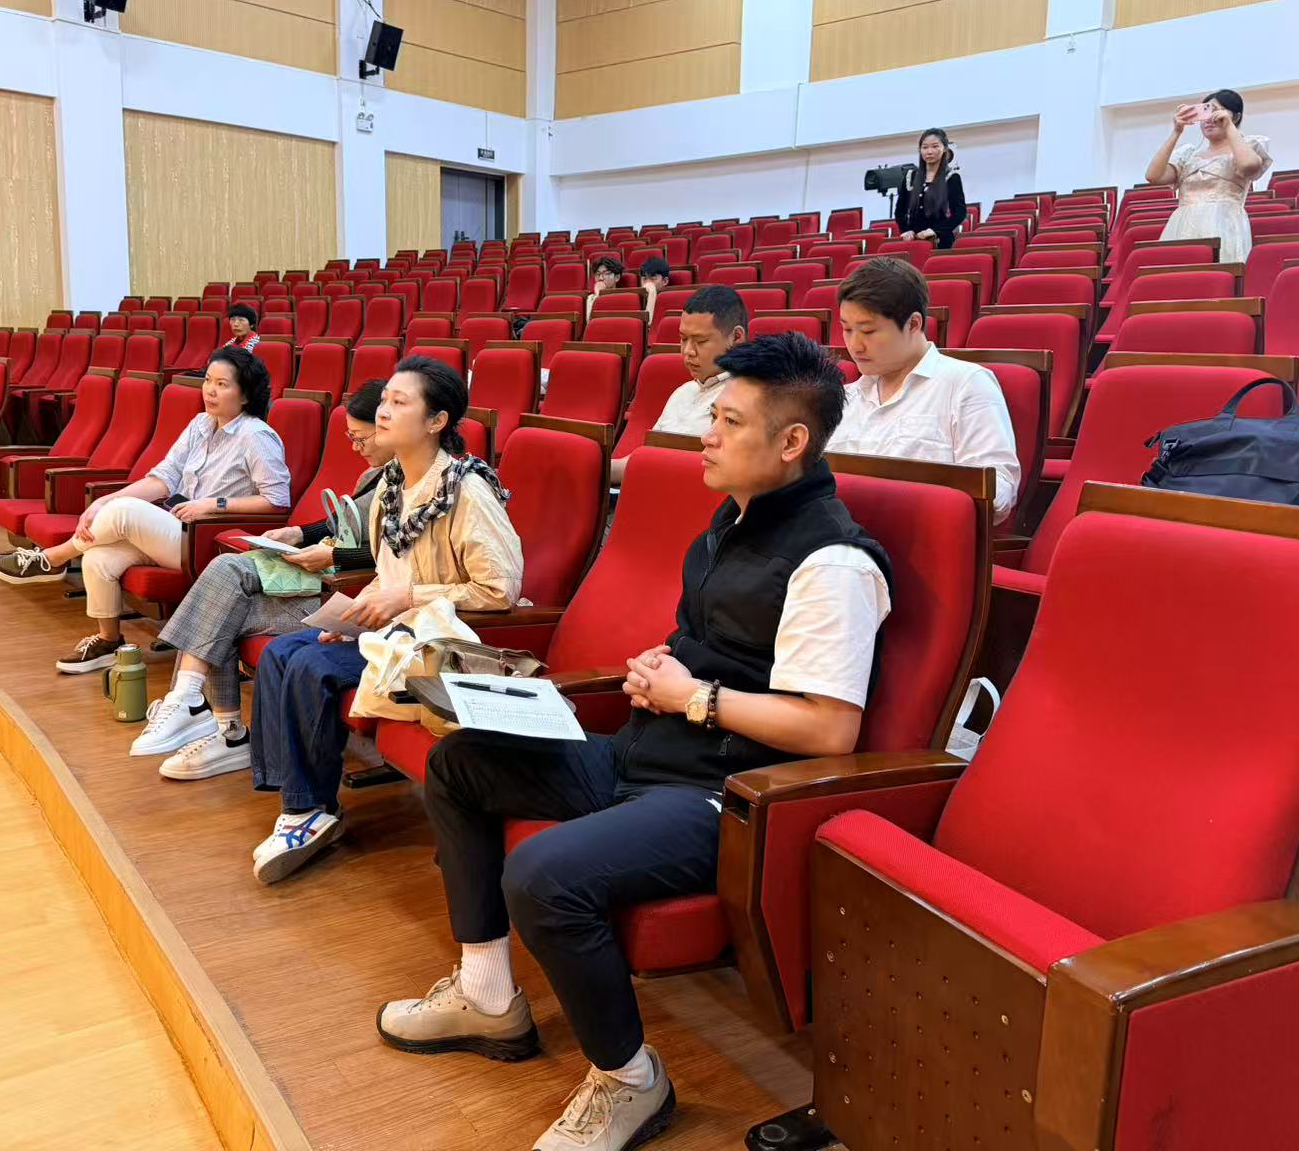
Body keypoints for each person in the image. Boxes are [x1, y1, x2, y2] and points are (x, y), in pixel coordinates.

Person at [376, 333, 891, 1151]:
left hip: (724, 795)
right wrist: (663, 668)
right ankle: (486, 995)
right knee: (461, 761)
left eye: (728, 422)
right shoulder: (732, 522)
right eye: (712, 417)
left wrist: (696, 697)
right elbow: (721, 648)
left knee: (543, 875)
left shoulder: (831, 562)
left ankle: (630, 1081)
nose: (705, 436)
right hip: (648, 752)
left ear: (792, 441)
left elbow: (829, 727)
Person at [249, 357, 524, 885]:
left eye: (400, 402)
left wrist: (406, 597)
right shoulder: (390, 483)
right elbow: (385, 572)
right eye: (384, 400)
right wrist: (353, 617)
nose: (382, 411)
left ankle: (309, 810)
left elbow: (498, 590)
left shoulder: (466, 490)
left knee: (311, 666)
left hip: (438, 642)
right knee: (284, 650)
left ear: (437, 421)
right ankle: (299, 800)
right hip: (392, 630)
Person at [131, 381, 392, 776]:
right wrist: (298, 534)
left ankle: (208, 717)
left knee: (223, 593)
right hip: (330, 577)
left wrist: (334, 555)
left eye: (361, 437)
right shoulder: (377, 475)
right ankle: (212, 720)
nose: (355, 448)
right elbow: (342, 524)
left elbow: (393, 554)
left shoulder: (419, 485)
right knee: (222, 593)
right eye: (350, 438)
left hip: (349, 595)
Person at [0, 347, 291, 673]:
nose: (210, 391)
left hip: (210, 541)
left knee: (126, 511)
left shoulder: (256, 436)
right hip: (177, 528)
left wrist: (213, 505)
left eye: (222, 384)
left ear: (245, 395)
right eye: (207, 381)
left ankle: (52, 559)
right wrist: (103, 501)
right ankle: (108, 641)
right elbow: (162, 479)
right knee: (98, 557)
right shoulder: (201, 424)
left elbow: (277, 500)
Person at [827, 257, 1019, 523]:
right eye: (847, 329)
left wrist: (926, 494)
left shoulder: (966, 384)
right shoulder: (844, 397)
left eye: (868, 331)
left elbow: (998, 490)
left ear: (914, 324)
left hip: (922, 534)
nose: (855, 346)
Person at [608, 285, 747, 485]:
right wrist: (591, 467)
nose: (688, 351)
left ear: (736, 338)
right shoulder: (683, 392)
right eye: (683, 339)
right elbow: (645, 459)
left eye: (700, 341)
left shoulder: (747, 398)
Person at [1146, 88, 1271, 263]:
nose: (1209, 119)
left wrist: (1229, 126)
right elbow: (1153, 176)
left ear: (1236, 117)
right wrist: (1176, 132)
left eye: (1217, 111)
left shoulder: (1247, 146)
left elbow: (1249, 166)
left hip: (1224, 223)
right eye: (1205, 112)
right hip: (1182, 224)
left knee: (1217, 274)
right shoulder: (1189, 154)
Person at [895, 127, 966, 249]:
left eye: (935, 146)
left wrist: (935, 231)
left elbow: (959, 213)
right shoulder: (910, 176)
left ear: (945, 149)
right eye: (925, 147)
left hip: (941, 242)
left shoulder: (951, 177)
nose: (929, 151)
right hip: (914, 242)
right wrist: (906, 230)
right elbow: (900, 211)